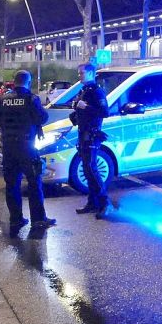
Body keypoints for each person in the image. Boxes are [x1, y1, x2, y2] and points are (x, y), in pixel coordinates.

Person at [0, 70, 56, 236]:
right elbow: (42, 118)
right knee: (34, 183)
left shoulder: (2, 100)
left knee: (12, 185)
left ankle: (16, 219)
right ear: (28, 82)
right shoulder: (31, 99)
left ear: (13, 81)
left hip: (8, 148)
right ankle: (38, 220)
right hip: (27, 148)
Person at [70, 63, 111, 218]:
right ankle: (92, 202)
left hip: (92, 134)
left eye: (81, 73)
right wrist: (76, 108)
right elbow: (80, 109)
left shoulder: (97, 91)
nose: (79, 75)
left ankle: (104, 202)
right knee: (87, 170)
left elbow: (104, 112)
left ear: (91, 73)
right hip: (83, 133)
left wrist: (85, 107)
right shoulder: (84, 90)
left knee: (91, 169)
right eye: (79, 73)